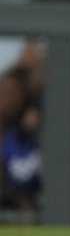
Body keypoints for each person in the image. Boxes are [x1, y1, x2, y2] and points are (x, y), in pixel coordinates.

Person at [0, 68, 39, 210]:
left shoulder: (27, 136)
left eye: (13, 93)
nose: (6, 99)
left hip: (22, 211)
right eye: (3, 91)